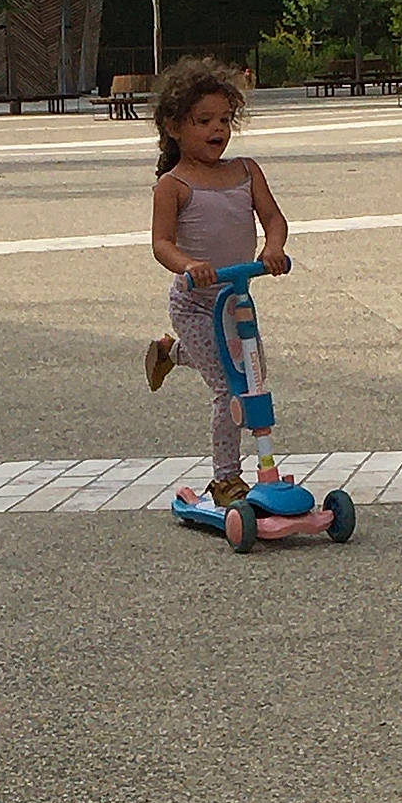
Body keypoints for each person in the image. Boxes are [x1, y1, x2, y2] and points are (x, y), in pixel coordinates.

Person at [143, 58, 290, 506]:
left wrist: (273, 248)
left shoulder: (246, 170)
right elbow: (162, 243)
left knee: (255, 382)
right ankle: (226, 478)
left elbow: (273, 218)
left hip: (236, 300)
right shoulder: (174, 185)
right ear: (174, 126)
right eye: (204, 120)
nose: (217, 129)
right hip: (196, 304)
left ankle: (170, 352)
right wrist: (188, 265)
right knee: (229, 387)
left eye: (225, 120)